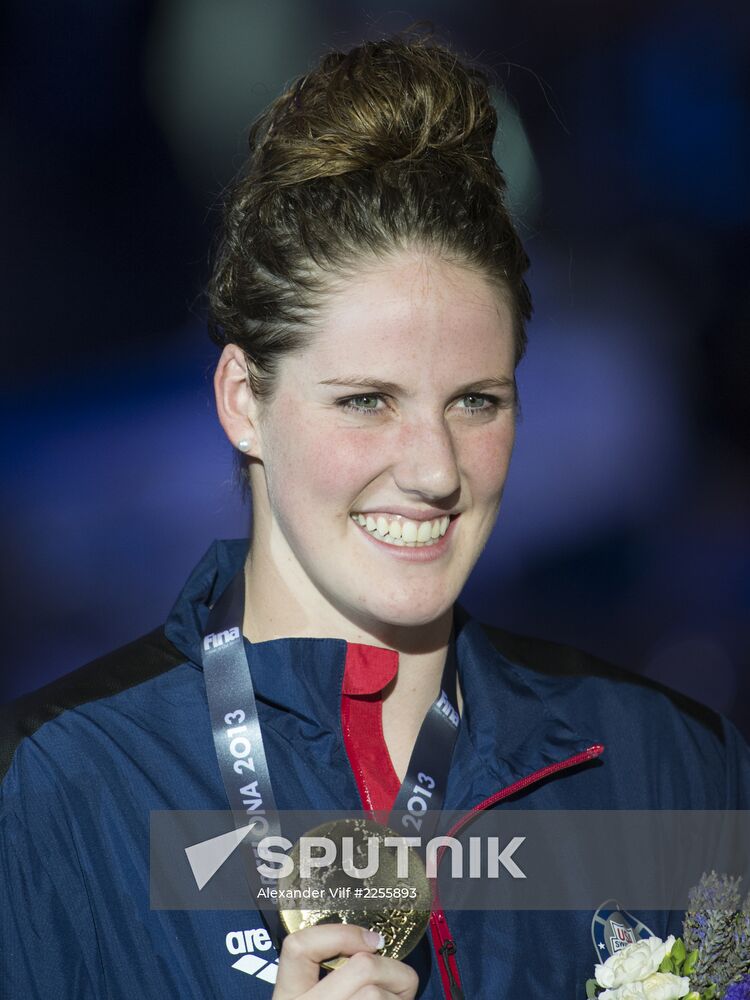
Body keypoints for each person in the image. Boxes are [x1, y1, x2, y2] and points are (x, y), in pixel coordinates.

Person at [1, 32, 748, 1000]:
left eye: (476, 400)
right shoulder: (60, 793)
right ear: (243, 401)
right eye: (366, 401)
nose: (436, 468)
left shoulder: (674, 769)